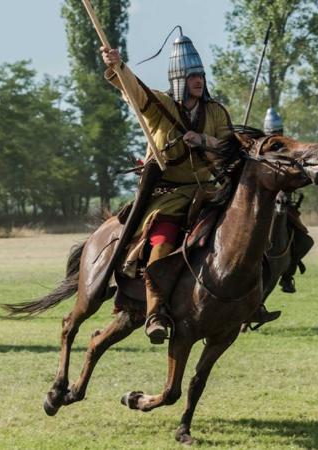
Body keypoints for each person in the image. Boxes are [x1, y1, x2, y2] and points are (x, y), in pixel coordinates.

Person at [101, 32, 234, 344]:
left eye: (200, 75)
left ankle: (246, 299)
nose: (198, 81)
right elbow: (133, 90)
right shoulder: (160, 105)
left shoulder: (216, 112)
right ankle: (155, 311)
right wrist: (119, 67)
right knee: (162, 239)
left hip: (207, 190)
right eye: (192, 76)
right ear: (179, 79)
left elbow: (230, 147)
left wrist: (203, 140)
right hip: (168, 195)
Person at [262, 107, 313, 295]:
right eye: (272, 133)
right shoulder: (260, 148)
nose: (275, 135)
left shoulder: (290, 148)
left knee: (305, 241)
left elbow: (298, 172)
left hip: (285, 202)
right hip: (261, 202)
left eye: (278, 132)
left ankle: (287, 276)